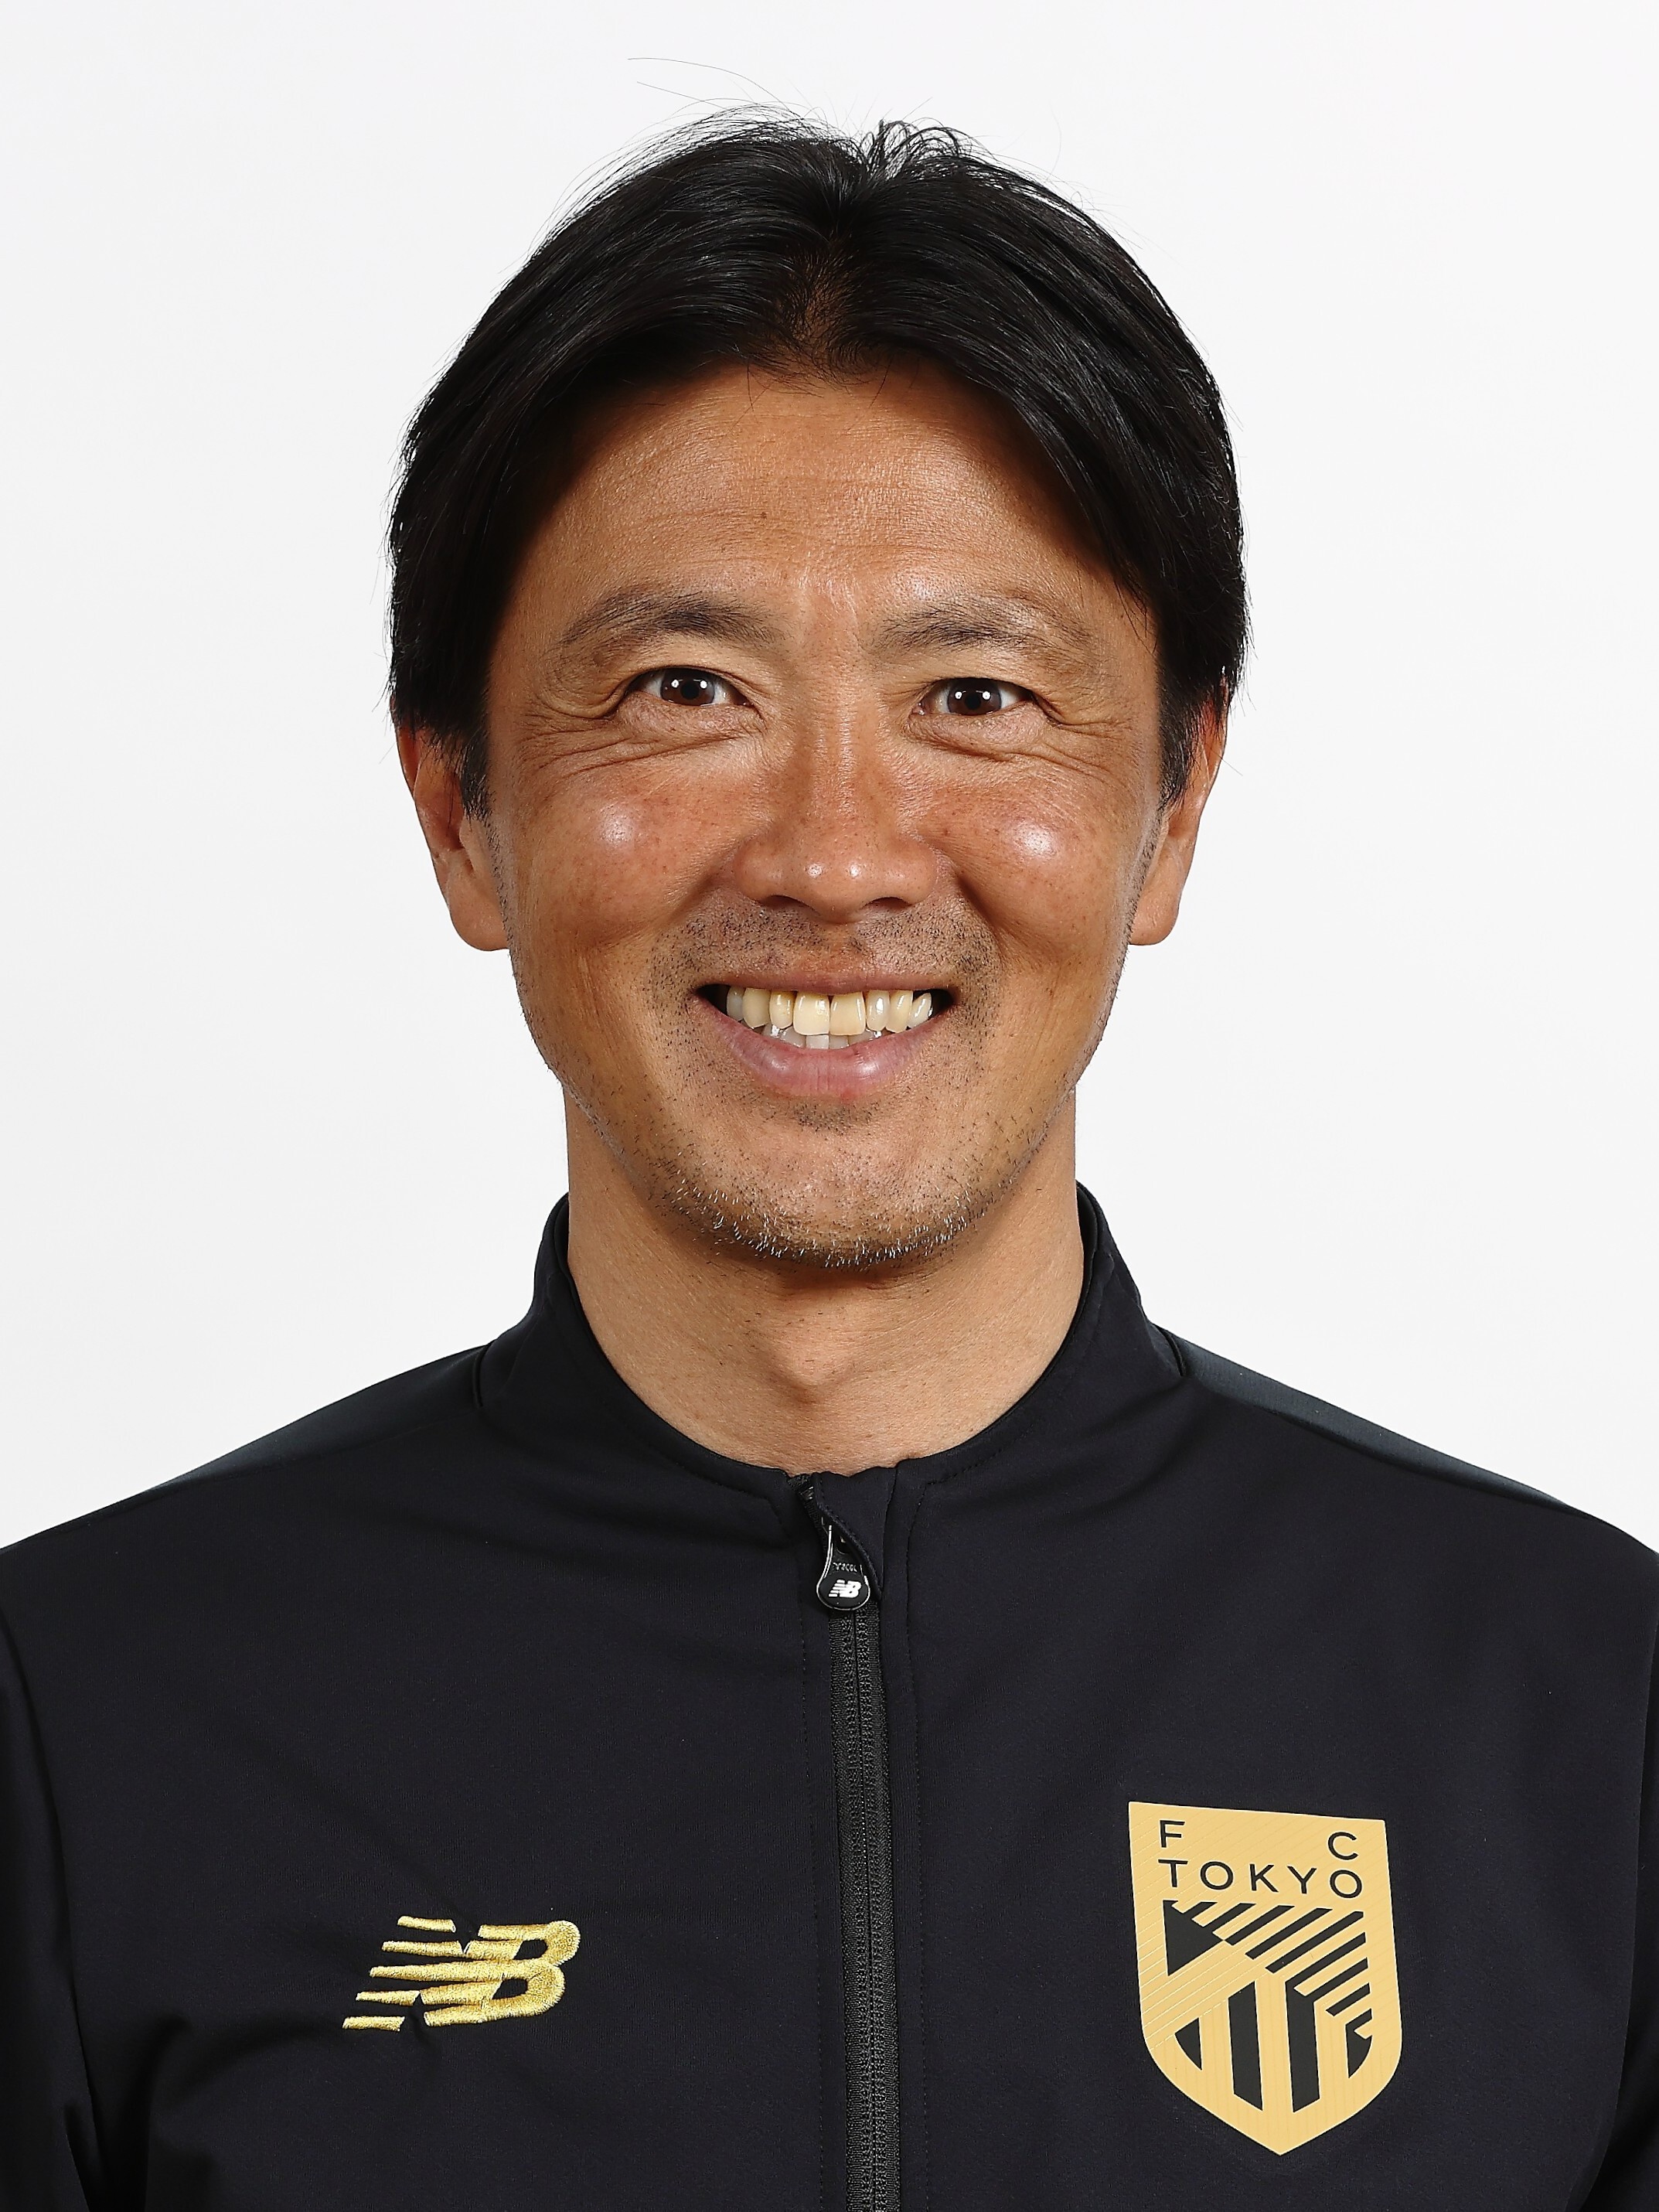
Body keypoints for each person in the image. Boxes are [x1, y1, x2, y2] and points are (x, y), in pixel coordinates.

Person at [0, 117, 1653, 2212]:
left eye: (976, 694)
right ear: (458, 813)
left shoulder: (1581, 1712)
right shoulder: (86, 1718)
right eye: (684, 690)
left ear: (1172, 810)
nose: (837, 856)